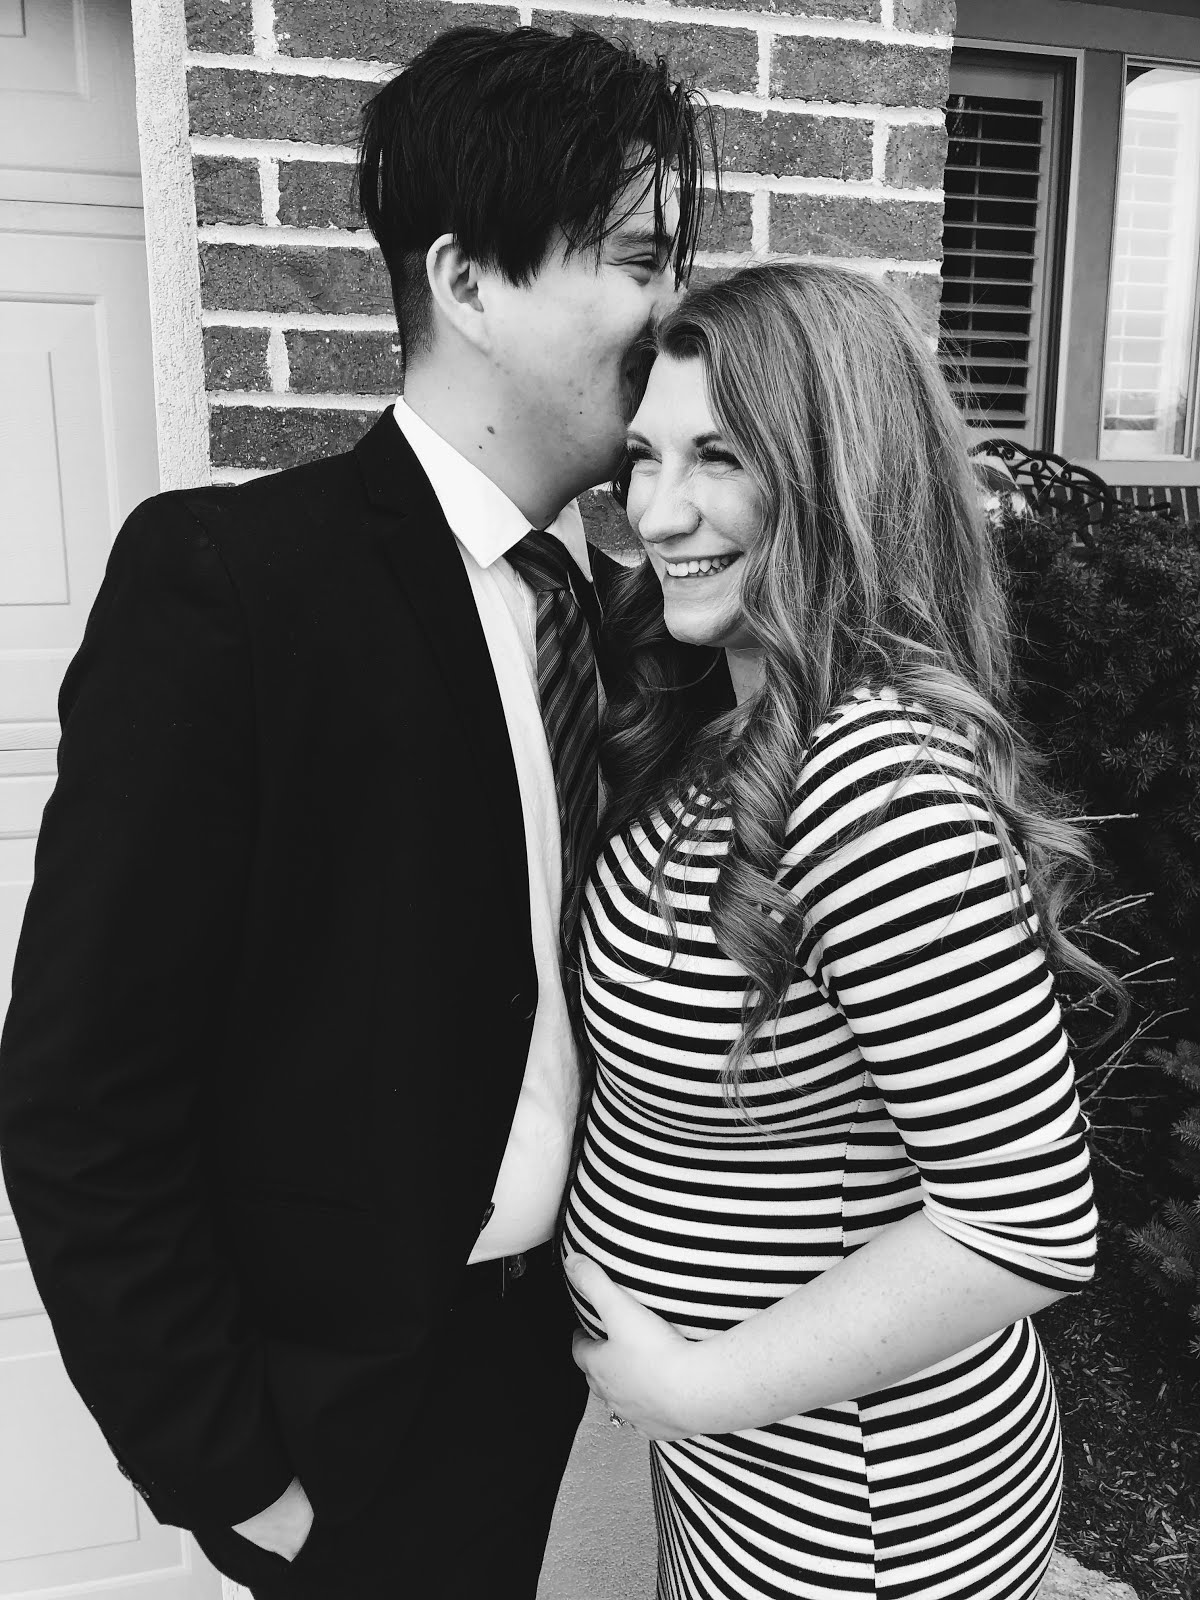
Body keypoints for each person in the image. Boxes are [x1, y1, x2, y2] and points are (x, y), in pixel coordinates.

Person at [0, 26, 713, 1600]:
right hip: (342, 1420)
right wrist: (228, 1465)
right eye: (639, 256)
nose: (678, 308)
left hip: (558, 1367)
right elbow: (81, 1093)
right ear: (466, 281)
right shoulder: (236, 589)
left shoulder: (631, 621)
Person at [560, 261, 1109, 1600]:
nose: (657, 511)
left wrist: (695, 1388)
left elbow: (1026, 1222)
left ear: (836, 474)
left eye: (719, 458)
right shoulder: (722, 719)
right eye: (642, 458)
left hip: (867, 1506)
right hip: (755, 1465)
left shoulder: (874, 779)